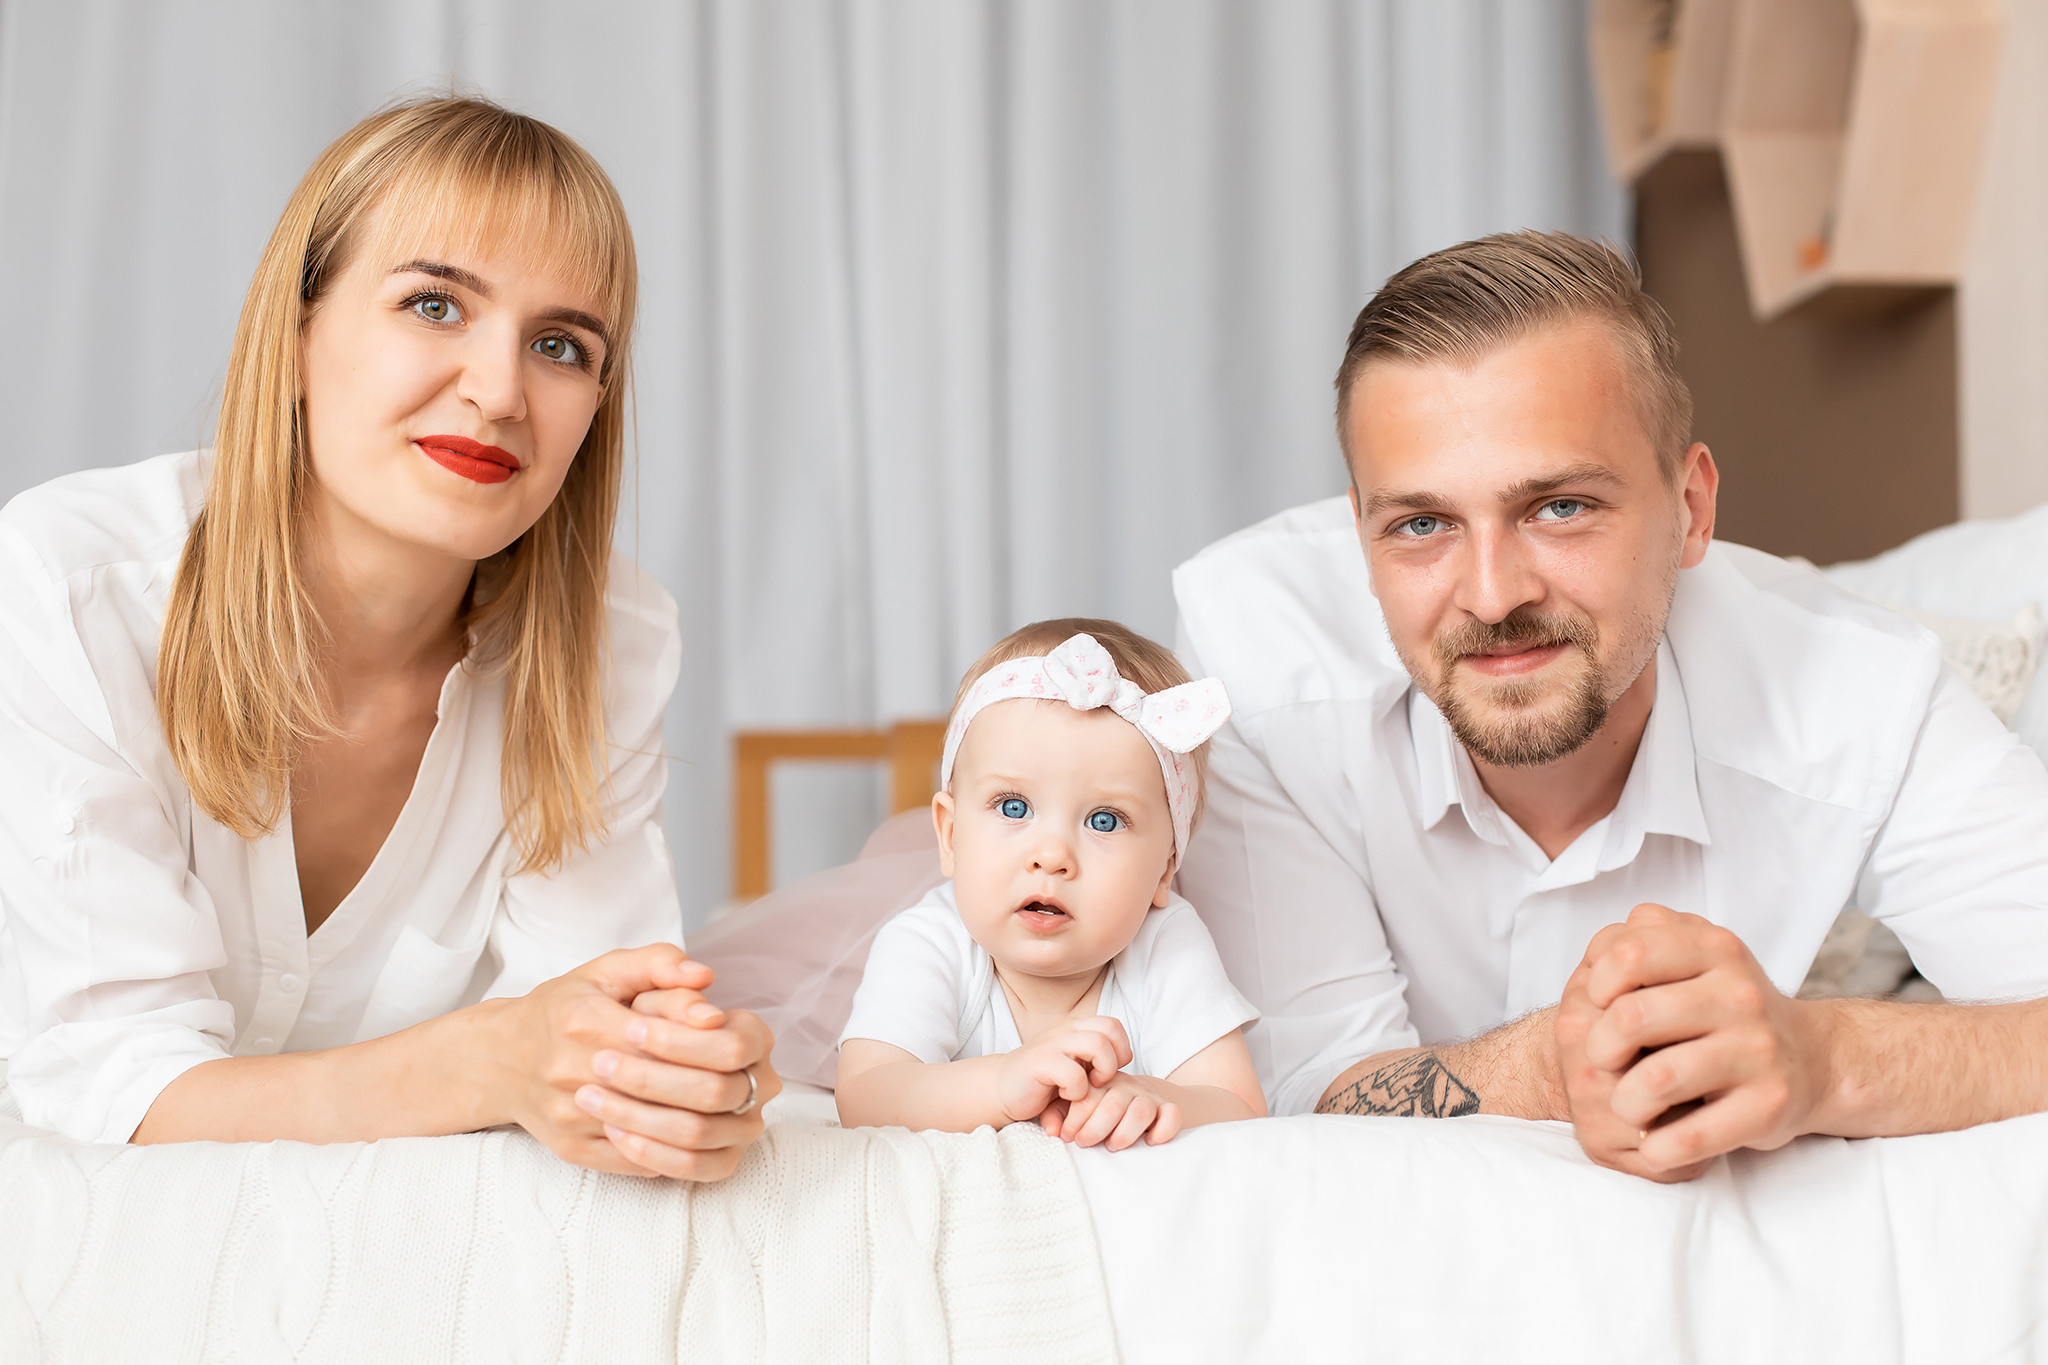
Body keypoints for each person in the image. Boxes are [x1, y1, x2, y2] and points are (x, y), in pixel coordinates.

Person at [0, 97, 779, 1180]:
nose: (499, 393)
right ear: (297, 334)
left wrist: (665, 1079)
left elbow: (587, 1025)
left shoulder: (613, 641)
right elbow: (118, 1090)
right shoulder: (69, 587)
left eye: (560, 346)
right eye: (433, 305)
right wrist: (488, 1064)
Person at [1173, 231, 2048, 1181]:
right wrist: (1549, 1068)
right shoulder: (1253, 664)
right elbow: (1290, 1089)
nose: (1493, 596)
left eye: (1559, 506)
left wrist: (1824, 1058)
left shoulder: (1865, 696)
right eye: (1422, 524)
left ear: (1692, 508)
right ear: (1360, 535)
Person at [835, 621, 1266, 1149]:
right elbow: (866, 1095)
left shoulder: (1166, 942)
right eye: (1014, 808)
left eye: (1104, 820)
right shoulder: (928, 940)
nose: (1052, 857)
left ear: (1163, 872)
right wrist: (1001, 1083)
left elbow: (1241, 1107)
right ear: (950, 836)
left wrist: (1156, 1098)